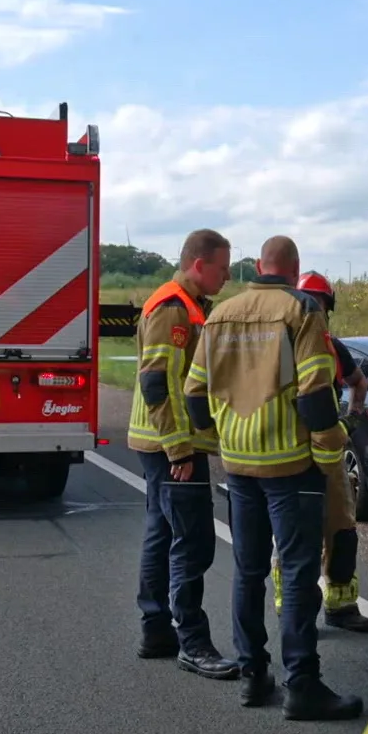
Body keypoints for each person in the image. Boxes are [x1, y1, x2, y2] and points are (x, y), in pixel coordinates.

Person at [184, 236, 363, 721]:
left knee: (248, 571)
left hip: (239, 465)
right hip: (292, 467)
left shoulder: (221, 314)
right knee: (300, 572)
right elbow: (315, 396)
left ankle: (251, 674)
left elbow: (194, 396)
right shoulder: (302, 310)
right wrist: (333, 444)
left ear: (259, 265)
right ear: (295, 268)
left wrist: (222, 436)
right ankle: (302, 684)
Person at [128, 229, 240, 681]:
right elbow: (159, 381)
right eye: (222, 267)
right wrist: (179, 446)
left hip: (159, 444)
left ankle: (156, 628)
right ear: (199, 264)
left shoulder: (188, 306)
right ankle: (193, 641)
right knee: (192, 541)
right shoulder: (174, 308)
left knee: (162, 533)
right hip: (171, 446)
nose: (227, 276)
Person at [277, 271, 368, 633]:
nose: (314, 309)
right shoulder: (279, 343)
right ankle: (293, 608)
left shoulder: (333, 346)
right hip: (291, 452)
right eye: (310, 302)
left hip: (328, 453)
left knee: (342, 529)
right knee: (294, 533)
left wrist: (353, 419)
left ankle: (341, 604)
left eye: (319, 304)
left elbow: (358, 383)